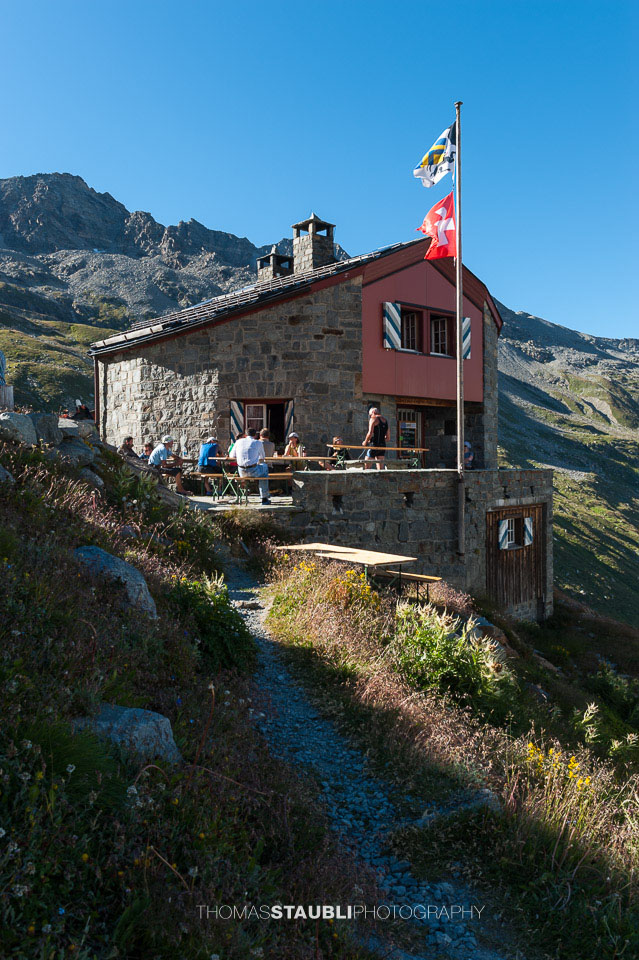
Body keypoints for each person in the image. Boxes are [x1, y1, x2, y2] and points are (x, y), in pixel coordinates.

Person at [233, 428, 270, 505]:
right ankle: (264, 497)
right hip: (253, 470)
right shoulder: (258, 443)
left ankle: (241, 496)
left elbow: (232, 455)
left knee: (262, 469)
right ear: (255, 435)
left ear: (245, 435)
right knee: (264, 468)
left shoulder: (238, 442)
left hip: (241, 471)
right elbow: (262, 457)